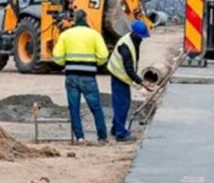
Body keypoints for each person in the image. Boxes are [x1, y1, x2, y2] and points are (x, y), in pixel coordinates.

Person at [52, 9, 109, 144]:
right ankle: (102, 137)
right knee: (96, 107)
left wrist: (65, 63)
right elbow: (103, 56)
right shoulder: (94, 35)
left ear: (74, 19)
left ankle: (80, 137)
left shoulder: (66, 35)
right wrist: (95, 63)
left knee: (74, 108)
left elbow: (57, 57)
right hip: (88, 76)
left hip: (71, 76)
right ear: (86, 18)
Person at [108, 21, 150, 142]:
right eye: (141, 37)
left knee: (121, 103)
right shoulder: (125, 47)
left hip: (120, 75)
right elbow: (129, 69)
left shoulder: (132, 40)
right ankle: (121, 133)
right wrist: (141, 82)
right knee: (122, 104)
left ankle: (116, 128)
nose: (142, 39)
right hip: (119, 76)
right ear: (135, 34)